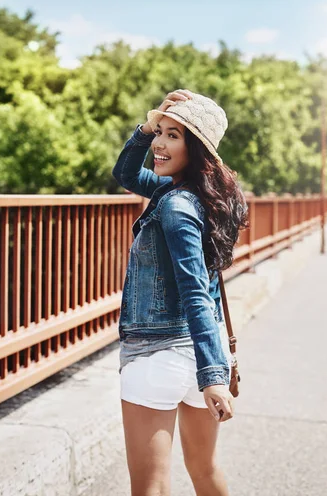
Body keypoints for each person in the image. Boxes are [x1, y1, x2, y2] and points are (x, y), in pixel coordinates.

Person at [112, 89, 249, 496]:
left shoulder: (174, 205)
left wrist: (212, 379)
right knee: (205, 471)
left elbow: (194, 294)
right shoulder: (208, 198)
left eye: (173, 135)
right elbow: (127, 174)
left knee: (150, 485)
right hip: (200, 356)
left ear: (197, 147)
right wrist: (144, 129)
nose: (158, 142)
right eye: (159, 132)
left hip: (159, 357)